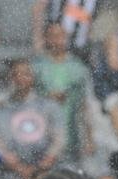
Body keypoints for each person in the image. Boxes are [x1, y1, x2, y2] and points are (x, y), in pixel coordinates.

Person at [0, 58, 64, 179]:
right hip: (12, 176)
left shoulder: (49, 106)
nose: (20, 78)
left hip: (44, 173)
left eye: (25, 74)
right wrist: (20, 169)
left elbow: (59, 140)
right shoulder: (1, 109)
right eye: (15, 74)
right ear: (10, 78)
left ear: (33, 77)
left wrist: (38, 168)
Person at [34, 20, 94, 164]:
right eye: (52, 36)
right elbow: (27, 99)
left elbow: (85, 104)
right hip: (43, 139)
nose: (57, 40)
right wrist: (47, 97)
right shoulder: (36, 67)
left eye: (60, 36)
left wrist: (89, 138)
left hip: (72, 137)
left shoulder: (78, 67)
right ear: (46, 39)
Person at [32, 0, 99, 65]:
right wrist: (38, 38)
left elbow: (99, 20)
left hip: (82, 49)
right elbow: (38, 9)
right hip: (54, 44)